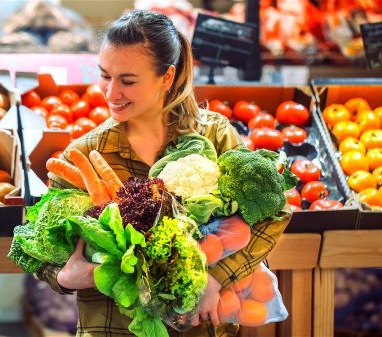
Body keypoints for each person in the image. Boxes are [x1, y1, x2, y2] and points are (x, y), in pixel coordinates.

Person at [36, 9, 292, 337]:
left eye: (127, 81)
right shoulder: (83, 154)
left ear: (167, 77)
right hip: (114, 328)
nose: (111, 93)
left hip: (198, 328)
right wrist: (64, 277)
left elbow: (274, 212)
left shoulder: (214, 136)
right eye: (104, 76)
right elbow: (40, 250)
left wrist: (217, 278)